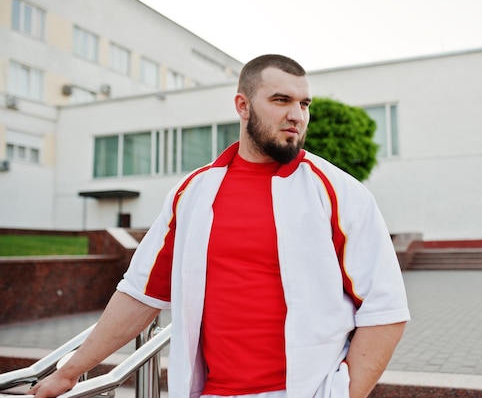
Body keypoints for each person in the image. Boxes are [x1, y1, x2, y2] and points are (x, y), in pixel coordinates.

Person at [29, 54, 410, 398]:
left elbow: (385, 308)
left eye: (304, 103)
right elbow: (140, 294)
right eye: (281, 100)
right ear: (243, 106)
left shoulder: (337, 191)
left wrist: (345, 394)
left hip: (305, 391)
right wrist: (71, 372)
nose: (298, 114)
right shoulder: (193, 193)